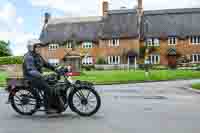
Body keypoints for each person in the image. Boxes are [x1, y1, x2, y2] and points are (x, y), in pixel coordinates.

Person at [22, 39, 57, 114]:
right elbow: (31, 70)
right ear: (32, 48)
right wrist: (41, 75)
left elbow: (46, 64)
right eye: (37, 47)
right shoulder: (29, 57)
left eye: (40, 47)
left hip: (38, 76)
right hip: (31, 78)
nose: (39, 48)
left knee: (54, 84)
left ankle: (53, 103)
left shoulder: (38, 56)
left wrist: (55, 68)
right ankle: (47, 108)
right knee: (48, 89)